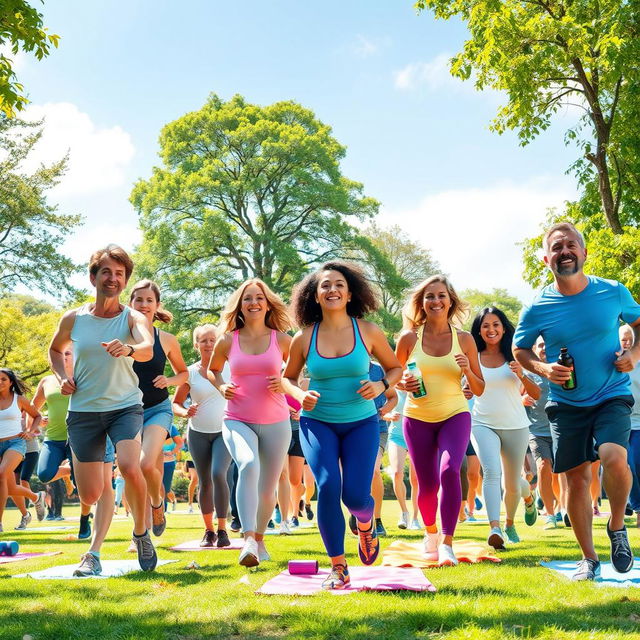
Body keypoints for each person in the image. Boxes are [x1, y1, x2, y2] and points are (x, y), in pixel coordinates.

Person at [513, 221, 640, 580]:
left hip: (611, 393)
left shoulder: (613, 291)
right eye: (557, 247)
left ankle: (617, 526)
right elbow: (519, 349)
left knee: (614, 457)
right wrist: (543, 367)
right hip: (566, 403)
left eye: (571, 245)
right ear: (546, 258)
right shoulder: (538, 306)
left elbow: (639, 322)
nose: (564, 251)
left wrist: (635, 354)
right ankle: (589, 558)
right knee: (576, 479)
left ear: (584, 252)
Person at [283, 261, 402, 589]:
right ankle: (339, 566)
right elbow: (287, 378)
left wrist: (381, 387)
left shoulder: (368, 331)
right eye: (324, 286)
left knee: (354, 497)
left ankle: (365, 523)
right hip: (317, 422)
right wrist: (298, 395)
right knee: (327, 485)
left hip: (361, 422)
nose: (331, 290)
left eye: (338, 285)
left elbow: (395, 369)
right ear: (315, 296)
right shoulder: (304, 337)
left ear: (350, 294)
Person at [48, 244, 158, 574]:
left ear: (125, 281)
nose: (112, 278)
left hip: (124, 406)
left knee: (128, 464)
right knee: (93, 493)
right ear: (94, 277)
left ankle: (139, 532)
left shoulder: (132, 317)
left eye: (119, 274)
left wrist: (128, 348)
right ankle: (97, 548)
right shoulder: (74, 318)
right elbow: (55, 349)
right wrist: (61, 376)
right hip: (82, 411)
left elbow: (147, 348)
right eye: (106, 272)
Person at [396, 275, 485, 565]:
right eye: (429, 296)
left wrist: (468, 371)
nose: (436, 301)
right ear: (422, 303)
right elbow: (393, 377)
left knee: (449, 471)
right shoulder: (409, 338)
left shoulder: (465, 340)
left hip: (454, 414)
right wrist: (403, 385)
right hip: (417, 417)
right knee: (427, 483)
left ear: (451, 301)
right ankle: (430, 533)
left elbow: (480, 387)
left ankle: (447, 541)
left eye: (441, 296)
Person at [209, 279, 292, 567]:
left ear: (268, 304)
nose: (254, 303)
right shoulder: (228, 339)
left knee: (268, 487)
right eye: (247, 299)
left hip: (276, 421)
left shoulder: (281, 340)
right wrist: (220, 387)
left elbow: (296, 375)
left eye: (259, 298)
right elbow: (213, 370)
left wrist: (284, 384)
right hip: (237, 418)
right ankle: (247, 540)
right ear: (239, 305)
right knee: (247, 464)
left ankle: (259, 537)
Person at [470, 306, 539, 550]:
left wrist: (522, 375)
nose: (491, 329)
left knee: (511, 484)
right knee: (490, 472)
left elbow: (536, 393)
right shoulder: (472, 357)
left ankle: (514, 517)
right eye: (486, 325)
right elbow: (463, 388)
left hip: (516, 425)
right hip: (481, 422)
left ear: (503, 327)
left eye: (496, 325)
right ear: (479, 331)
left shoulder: (515, 355)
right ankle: (495, 528)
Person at [129, 279, 188, 538]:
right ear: (129, 304)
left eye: (149, 300)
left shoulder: (166, 340)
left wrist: (169, 380)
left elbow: (184, 373)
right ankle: (139, 530)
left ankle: (157, 503)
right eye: (138, 300)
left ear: (157, 305)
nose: (143, 305)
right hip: (126, 411)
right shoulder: (120, 336)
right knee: (131, 472)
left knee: (144, 465)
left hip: (157, 409)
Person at [174, 324, 232, 548]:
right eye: (204, 340)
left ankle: (223, 529)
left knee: (219, 474)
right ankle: (208, 531)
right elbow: (176, 402)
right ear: (196, 345)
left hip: (224, 431)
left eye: (212, 340)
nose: (208, 344)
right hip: (197, 433)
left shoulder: (229, 368)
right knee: (204, 481)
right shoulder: (189, 373)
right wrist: (184, 412)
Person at [0, 369, 46, 532]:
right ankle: (36, 497)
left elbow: (37, 416)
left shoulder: (19, 400)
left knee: (2, 474)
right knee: (9, 487)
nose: (0, 382)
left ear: (11, 382)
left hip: (15, 443)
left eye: (3, 379)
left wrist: (30, 431)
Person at [523, 337, 558, 530]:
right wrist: (522, 399)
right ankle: (550, 515)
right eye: (540, 345)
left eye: (547, 344)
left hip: (560, 428)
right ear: (534, 349)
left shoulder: (561, 367)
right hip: (537, 430)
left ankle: (562, 508)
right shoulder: (528, 373)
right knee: (544, 466)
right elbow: (516, 396)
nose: (544, 348)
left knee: (560, 473)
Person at [384, 391, 420, 530]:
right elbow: (382, 411)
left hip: (417, 437)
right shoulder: (391, 387)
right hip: (396, 437)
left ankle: (416, 519)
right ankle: (404, 512)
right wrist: (389, 416)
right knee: (397, 473)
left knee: (416, 479)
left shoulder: (417, 384)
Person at [620, 324, 640, 527]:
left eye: (630, 338)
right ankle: (637, 507)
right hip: (623, 422)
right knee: (629, 467)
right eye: (623, 338)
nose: (626, 342)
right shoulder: (614, 362)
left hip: (639, 422)